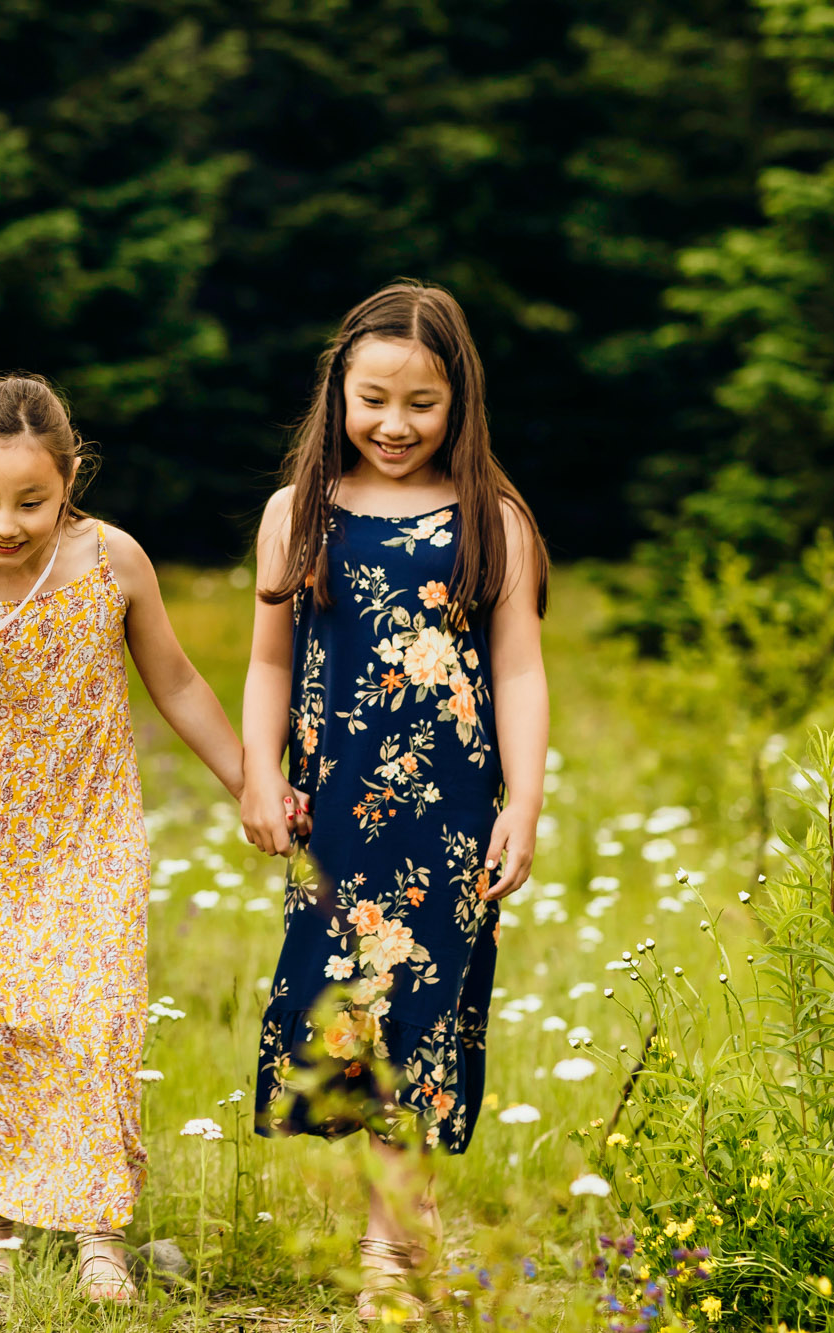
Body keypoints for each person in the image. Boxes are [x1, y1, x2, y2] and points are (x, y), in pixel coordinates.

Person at [0, 374, 245, 1302]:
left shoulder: (112, 560)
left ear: (70, 477)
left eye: (30, 501)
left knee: (95, 1023)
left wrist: (253, 779)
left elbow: (179, 684)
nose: (6, 523)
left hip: (95, 836)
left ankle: (99, 1232)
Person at [238, 281, 550, 1321]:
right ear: (337, 394)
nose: (393, 424)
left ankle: (390, 1244)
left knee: (422, 1015)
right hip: (333, 812)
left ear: (457, 404)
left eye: (420, 402)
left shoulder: (491, 520)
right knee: (344, 1016)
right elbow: (266, 662)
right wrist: (255, 768)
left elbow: (517, 673)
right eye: (372, 398)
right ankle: (387, 1232)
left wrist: (525, 802)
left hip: (449, 816)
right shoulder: (299, 513)